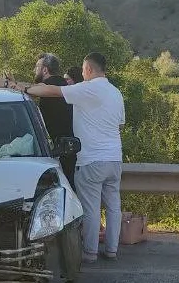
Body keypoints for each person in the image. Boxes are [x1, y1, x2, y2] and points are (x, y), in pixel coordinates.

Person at [9, 52, 125, 262]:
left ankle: (90, 253)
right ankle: (111, 250)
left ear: (88, 69)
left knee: (90, 209)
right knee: (113, 207)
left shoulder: (88, 88)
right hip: (115, 159)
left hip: (91, 160)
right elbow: (119, 125)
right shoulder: (116, 93)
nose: (82, 73)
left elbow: (52, 90)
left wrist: (21, 87)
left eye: (82, 70)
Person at [33, 53, 77, 186]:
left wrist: (10, 84)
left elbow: (31, 89)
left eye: (36, 66)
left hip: (55, 154)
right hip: (73, 150)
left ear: (45, 69)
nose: (34, 70)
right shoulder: (67, 87)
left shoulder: (46, 89)